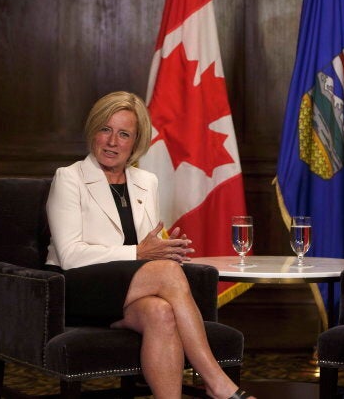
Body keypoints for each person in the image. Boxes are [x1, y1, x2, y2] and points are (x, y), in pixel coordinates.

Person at [44, 91, 253, 399]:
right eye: (105, 129)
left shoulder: (146, 182)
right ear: (93, 132)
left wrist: (165, 249)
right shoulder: (69, 178)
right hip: (76, 287)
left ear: (136, 142)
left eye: (123, 134)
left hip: (128, 288)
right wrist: (142, 253)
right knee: (167, 273)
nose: (112, 141)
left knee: (161, 312)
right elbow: (71, 256)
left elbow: (146, 249)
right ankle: (216, 381)